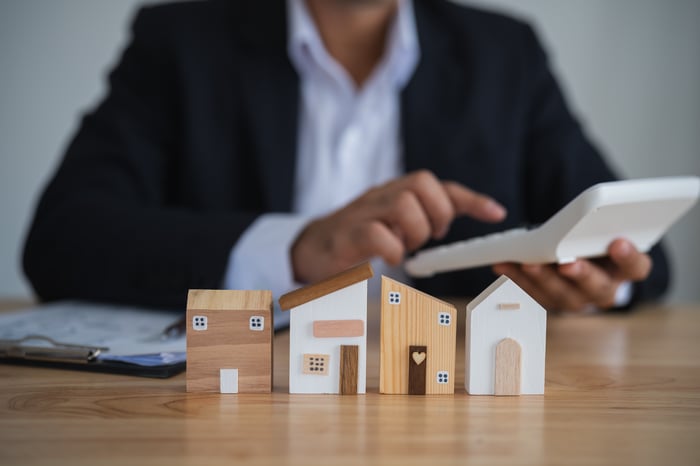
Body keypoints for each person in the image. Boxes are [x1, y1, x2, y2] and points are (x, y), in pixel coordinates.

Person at [22, 0, 669, 322]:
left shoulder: (505, 54)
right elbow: (62, 239)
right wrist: (295, 248)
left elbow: (640, 251)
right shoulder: (181, 41)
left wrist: (603, 280)